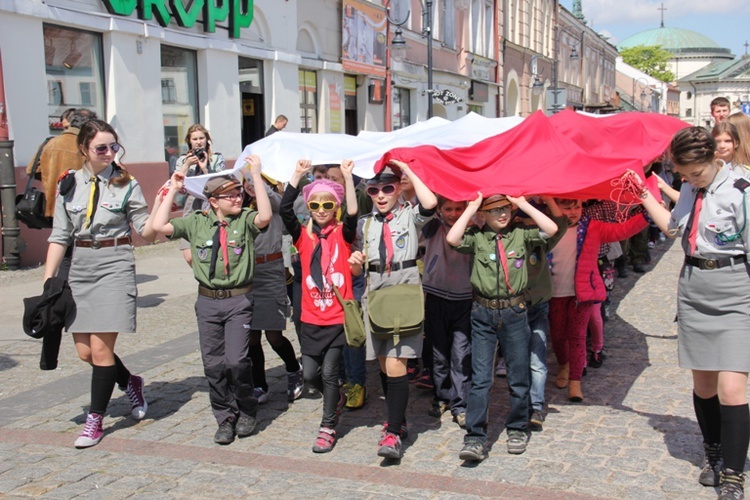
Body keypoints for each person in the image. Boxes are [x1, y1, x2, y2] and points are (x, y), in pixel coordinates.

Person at [640, 127, 750, 499]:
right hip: (693, 288)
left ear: (713, 160)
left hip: (735, 289)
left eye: (695, 174)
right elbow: (674, 228)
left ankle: (735, 475)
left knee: (731, 388)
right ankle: (713, 454)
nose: (688, 181)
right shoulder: (690, 185)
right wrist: (645, 195)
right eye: (685, 176)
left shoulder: (742, 189)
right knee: (703, 386)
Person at [43, 119, 154, 448]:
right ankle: (130, 382)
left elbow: (144, 227)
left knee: (102, 349)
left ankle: (95, 420)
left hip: (115, 264)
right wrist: (49, 282)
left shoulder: (126, 184)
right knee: (85, 352)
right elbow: (60, 236)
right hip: (81, 268)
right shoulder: (69, 185)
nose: (109, 153)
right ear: (84, 150)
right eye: (101, 148)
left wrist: (165, 205)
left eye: (113, 147)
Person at [150, 160, 272, 445]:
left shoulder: (244, 220)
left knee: (237, 361)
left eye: (239, 193)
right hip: (207, 301)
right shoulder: (196, 223)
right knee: (213, 364)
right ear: (213, 201)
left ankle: (246, 409)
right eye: (230, 195)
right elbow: (158, 225)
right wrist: (174, 189)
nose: (238, 198)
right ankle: (225, 417)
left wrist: (255, 175)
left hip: (238, 299)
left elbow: (265, 215)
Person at [447, 193, 558, 460]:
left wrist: (521, 203)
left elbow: (551, 228)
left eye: (505, 208)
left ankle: (517, 427)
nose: (502, 214)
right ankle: (475, 437)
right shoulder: (476, 236)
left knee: (519, 377)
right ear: (484, 215)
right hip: (483, 313)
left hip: (515, 311)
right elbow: (452, 239)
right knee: (481, 379)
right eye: (494, 210)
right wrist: (472, 207)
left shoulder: (521, 233)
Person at [349, 161, 437, 460]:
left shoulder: (410, 215)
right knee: (386, 365)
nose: (382, 195)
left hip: (405, 290)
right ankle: (397, 422)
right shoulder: (366, 222)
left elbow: (430, 203)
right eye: (375, 190)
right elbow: (362, 262)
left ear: (398, 188)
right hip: (376, 293)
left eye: (388, 188)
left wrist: (409, 171)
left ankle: (393, 432)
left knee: (398, 364)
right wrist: (357, 263)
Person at [279, 159, 359, 453]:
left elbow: (352, 213)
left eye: (328, 205)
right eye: (316, 206)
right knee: (311, 375)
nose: (322, 211)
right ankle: (335, 397)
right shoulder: (303, 236)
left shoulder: (343, 234)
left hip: (337, 318)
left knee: (328, 372)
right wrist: (297, 175)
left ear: (335, 207)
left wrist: (348, 179)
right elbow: (284, 210)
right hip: (311, 318)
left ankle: (327, 426)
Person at [549, 198, 648, 402]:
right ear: (555, 207)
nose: (574, 211)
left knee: (577, 336)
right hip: (554, 292)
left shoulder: (592, 227)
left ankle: (575, 382)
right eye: (567, 207)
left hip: (582, 293)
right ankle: (563, 365)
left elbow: (621, 231)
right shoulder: (547, 228)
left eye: (577, 206)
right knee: (558, 334)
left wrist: (647, 215)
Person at [242, 174, 304, 404]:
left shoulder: (274, 203)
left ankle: (293, 368)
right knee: (251, 337)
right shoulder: (241, 205)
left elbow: (279, 201)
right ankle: (259, 384)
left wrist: (258, 181)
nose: (248, 186)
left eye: (254, 181)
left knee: (273, 334)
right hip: (246, 274)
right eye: (245, 182)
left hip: (270, 271)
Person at [515, 197, 567, 431]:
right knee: (517, 359)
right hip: (513, 307)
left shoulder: (541, 242)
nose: (527, 226)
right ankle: (519, 403)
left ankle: (535, 406)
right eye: (522, 222)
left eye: (531, 222)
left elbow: (560, 223)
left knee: (537, 359)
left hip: (537, 305)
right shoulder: (508, 239)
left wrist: (547, 198)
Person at [421, 196, 473, 428]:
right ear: (440, 210)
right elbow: (426, 204)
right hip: (436, 296)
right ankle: (441, 395)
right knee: (438, 353)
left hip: (465, 298)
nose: (453, 213)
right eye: (448, 209)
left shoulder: (473, 229)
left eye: (458, 209)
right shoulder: (432, 227)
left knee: (461, 354)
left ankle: (461, 403)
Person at [174, 124, 226, 264]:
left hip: (211, 206)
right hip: (191, 206)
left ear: (207, 139)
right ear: (189, 141)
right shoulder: (182, 160)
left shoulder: (216, 159)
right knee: (189, 256)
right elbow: (177, 186)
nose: (198, 142)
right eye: (195, 139)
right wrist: (186, 165)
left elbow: (221, 183)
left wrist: (205, 169)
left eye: (201, 138)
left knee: (212, 251)